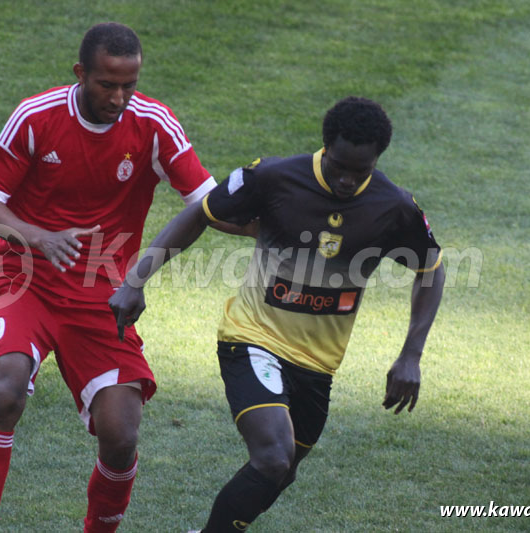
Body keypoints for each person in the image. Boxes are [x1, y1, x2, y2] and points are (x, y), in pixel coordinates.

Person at [109, 96, 446, 532]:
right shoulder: (273, 176)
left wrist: (411, 355)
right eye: (338, 166)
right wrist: (135, 281)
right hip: (252, 337)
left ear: (377, 159)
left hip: (318, 363)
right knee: (272, 458)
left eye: (358, 172)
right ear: (325, 145)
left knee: (281, 473)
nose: (346, 180)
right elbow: (200, 212)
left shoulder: (394, 207)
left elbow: (431, 273)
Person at [0, 22, 244, 532]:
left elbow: (207, 204)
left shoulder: (153, 124)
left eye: (129, 85)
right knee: (6, 391)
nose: (119, 97)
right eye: (106, 85)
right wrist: (40, 238)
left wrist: (274, 226)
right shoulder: (36, 116)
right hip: (26, 278)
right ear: (81, 73)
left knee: (121, 434)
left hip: (102, 293)